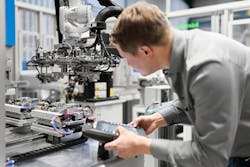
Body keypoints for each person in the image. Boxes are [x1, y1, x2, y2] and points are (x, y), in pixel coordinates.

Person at [104, 2, 250, 167]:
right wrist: (160, 118)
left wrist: (142, 145)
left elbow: (210, 157)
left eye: (126, 57)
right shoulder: (181, 53)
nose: (128, 64)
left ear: (145, 51)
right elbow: (197, 101)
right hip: (234, 149)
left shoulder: (208, 68)